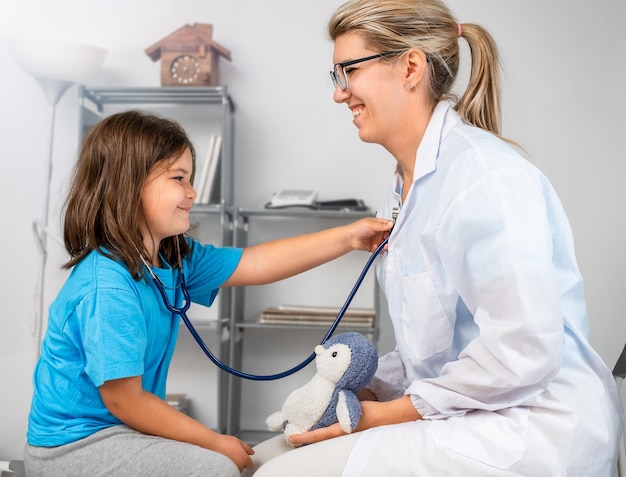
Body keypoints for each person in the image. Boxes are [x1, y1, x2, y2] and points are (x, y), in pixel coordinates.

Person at [245, 0, 623, 475]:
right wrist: (357, 388)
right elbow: (433, 354)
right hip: (470, 411)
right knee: (260, 457)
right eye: (335, 76)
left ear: (409, 67)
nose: (339, 94)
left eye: (348, 72)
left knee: (281, 474)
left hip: (531, 427)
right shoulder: (404, 186)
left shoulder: (486, 178)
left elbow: (522, 353)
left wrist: (376, 416)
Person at [23, 110, 393, 477]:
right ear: (128, 184)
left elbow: (256, 263)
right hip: (73, 447)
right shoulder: (108, 287)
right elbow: (124, 398)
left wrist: (349, 237)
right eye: (179, 178)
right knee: (216, 468)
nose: (192, 192)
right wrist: (213, 441)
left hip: (121, 431)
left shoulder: (171, 259)